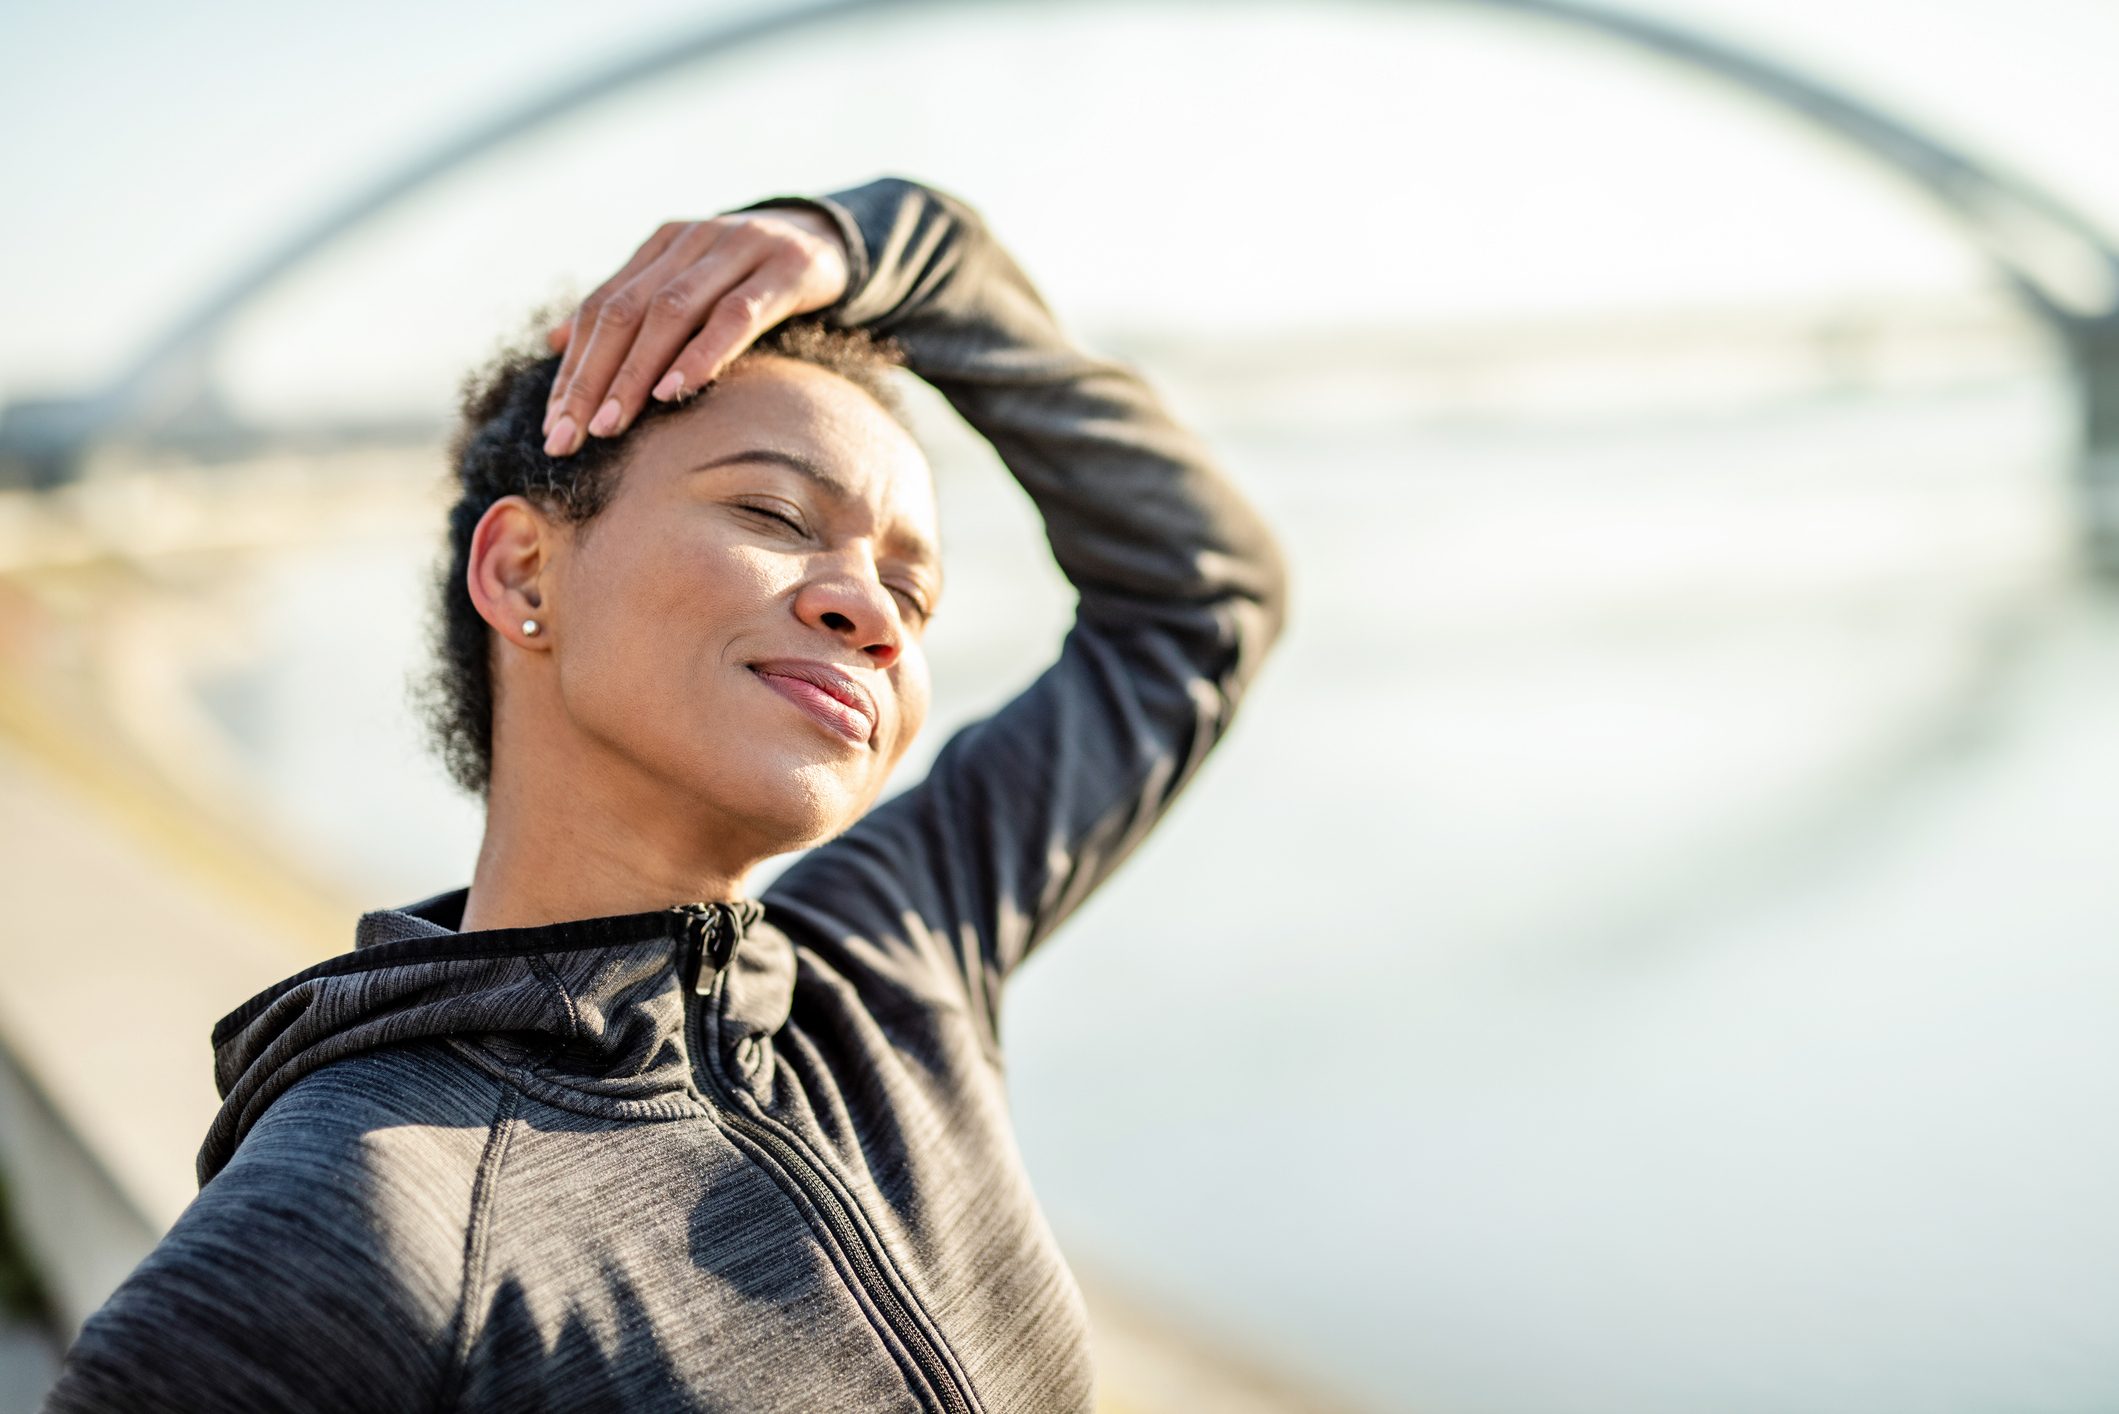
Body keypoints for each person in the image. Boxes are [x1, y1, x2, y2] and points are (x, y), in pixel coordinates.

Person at [45, 174, 1288, 1413]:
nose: (866, 611)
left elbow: (1202, 598)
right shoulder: (371, 1202)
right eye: (773, 511)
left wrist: (890, 249)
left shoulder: (896, 967)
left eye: (912, 593)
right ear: (524, 567)